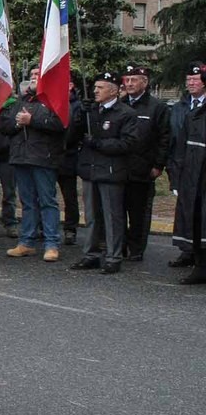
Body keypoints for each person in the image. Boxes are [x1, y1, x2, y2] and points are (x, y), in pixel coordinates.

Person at [70, 71, 139, 275]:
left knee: (112, 217)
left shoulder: (125, 113)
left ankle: (113, 256)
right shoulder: (92, 111)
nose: (96, 91)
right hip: (91, 169)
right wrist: (79, 116)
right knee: (92, 216)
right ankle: (90, 254)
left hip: (111, 171)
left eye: (100, 87)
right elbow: (74, 136)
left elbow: (128, 143)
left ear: (114, 90)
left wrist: (99, 144)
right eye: (95, 87)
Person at [0, 66, 69, 262]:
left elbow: (60, 125)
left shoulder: (54, 100)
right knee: (27, 203)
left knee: (47, 201)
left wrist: (32, 120)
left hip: (43, 158)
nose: (33, 78)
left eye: (37, 75)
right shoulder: (21, 101)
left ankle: (51, 243)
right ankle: (26, 242)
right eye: (31, 76)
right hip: (21, 157)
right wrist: (17, 124)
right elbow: (4, 126)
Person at [119, 62, 171, 261]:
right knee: (119, 210)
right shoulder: (121, 104)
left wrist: (159, 165)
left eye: (134, 80)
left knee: (139, 211)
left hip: (143, 167)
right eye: (127, 80)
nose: (130, 84)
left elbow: (164, 138)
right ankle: (120, 245)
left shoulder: (157, 107)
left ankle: (137, 248)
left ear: (145, 82)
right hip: (121, 166)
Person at [168, 63, 206, 283]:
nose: (191, 83)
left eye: (196, 79)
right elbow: (180, 145)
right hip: (192, 174)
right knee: (194, 219)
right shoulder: (190, 113)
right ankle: (199, 264)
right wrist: (176, 174)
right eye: (188, 80)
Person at [59, 77, 86, 246]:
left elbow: (76, 131)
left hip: (68, 155)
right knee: (45, 196)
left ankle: (70, 229)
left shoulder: (78, 106)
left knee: (69, 196)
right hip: (49, 154)